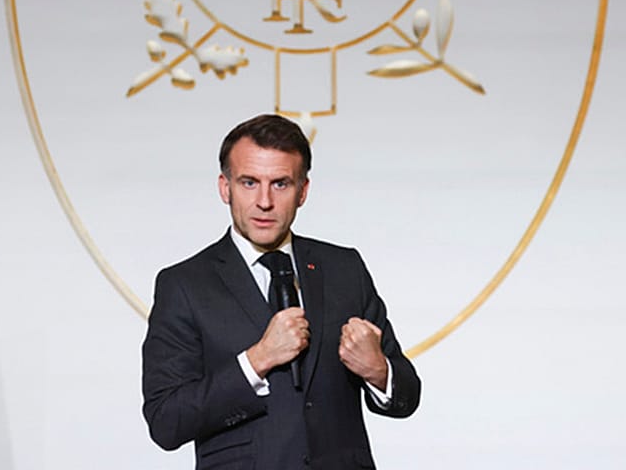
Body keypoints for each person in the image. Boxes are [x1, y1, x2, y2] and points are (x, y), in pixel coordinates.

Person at [142, 114, 421, 469]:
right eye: (248, 182)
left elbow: (408, 396)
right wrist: (257, 359)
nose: (264, 201)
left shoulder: (344, 268)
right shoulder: (184, 285)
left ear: (302, 191)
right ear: (224, 187)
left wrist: (378, 370)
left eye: (280, 184)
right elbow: (166, 421)